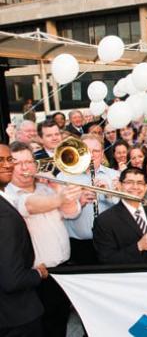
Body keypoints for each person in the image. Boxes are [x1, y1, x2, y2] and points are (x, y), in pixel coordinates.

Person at [6, 142, 81, 337]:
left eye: (29, 162)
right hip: (38, 274)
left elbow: (72, 213)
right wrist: (59, 197)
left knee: (60, 322)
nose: (25, 168)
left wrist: (56, 185)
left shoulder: (47, 188)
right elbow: (30, 206)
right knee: (42, 326)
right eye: (18, 163)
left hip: (62, 268)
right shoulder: (9, 195)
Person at [0, 143, 46, 336]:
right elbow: (12, 279)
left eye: (9, 159)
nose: (8, 165)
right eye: (0, 161)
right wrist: (39, 274)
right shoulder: (5, 216)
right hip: (17, 317)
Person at [58, 134, 120, 265]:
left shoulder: (115, 176)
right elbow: (58, 212)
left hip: (110, 244)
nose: (91, 155)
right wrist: (78, 202)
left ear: (102, 153)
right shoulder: (64, 177)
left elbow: (124, 210)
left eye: (96, 151)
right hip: (78, 246)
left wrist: (109, 193)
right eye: (86, 151)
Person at [93, 167, 147, 264]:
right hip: (127, 277)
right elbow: (106, 260)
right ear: (120, 185)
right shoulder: (104, 220)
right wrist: (139, 246)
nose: (135, 187)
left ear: (146, 187)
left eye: (140, 183)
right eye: (129, 182)